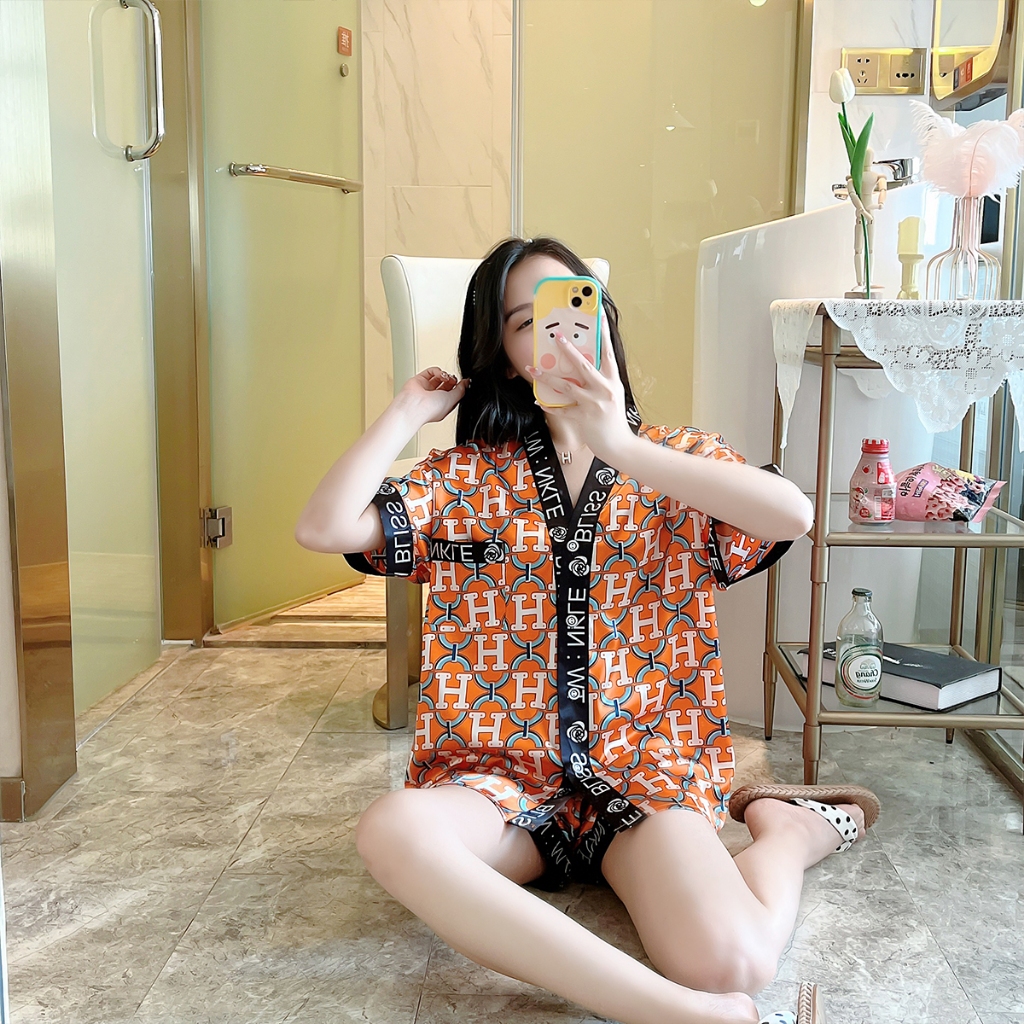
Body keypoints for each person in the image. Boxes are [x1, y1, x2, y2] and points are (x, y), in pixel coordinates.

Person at [296, 237, 880, 1024]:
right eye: (525, 321)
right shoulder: (465, 479)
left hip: (645, 777)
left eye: (575, 306)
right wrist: (406, 410)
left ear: (604, 321)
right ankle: (672, 1014)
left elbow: (792, 516)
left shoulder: (677, 459)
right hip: (500, 786)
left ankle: (791, 834)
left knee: (735, 961)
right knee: (393, 831)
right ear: (507, 359)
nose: (558, 333)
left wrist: (622, 446)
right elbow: (324, 526)